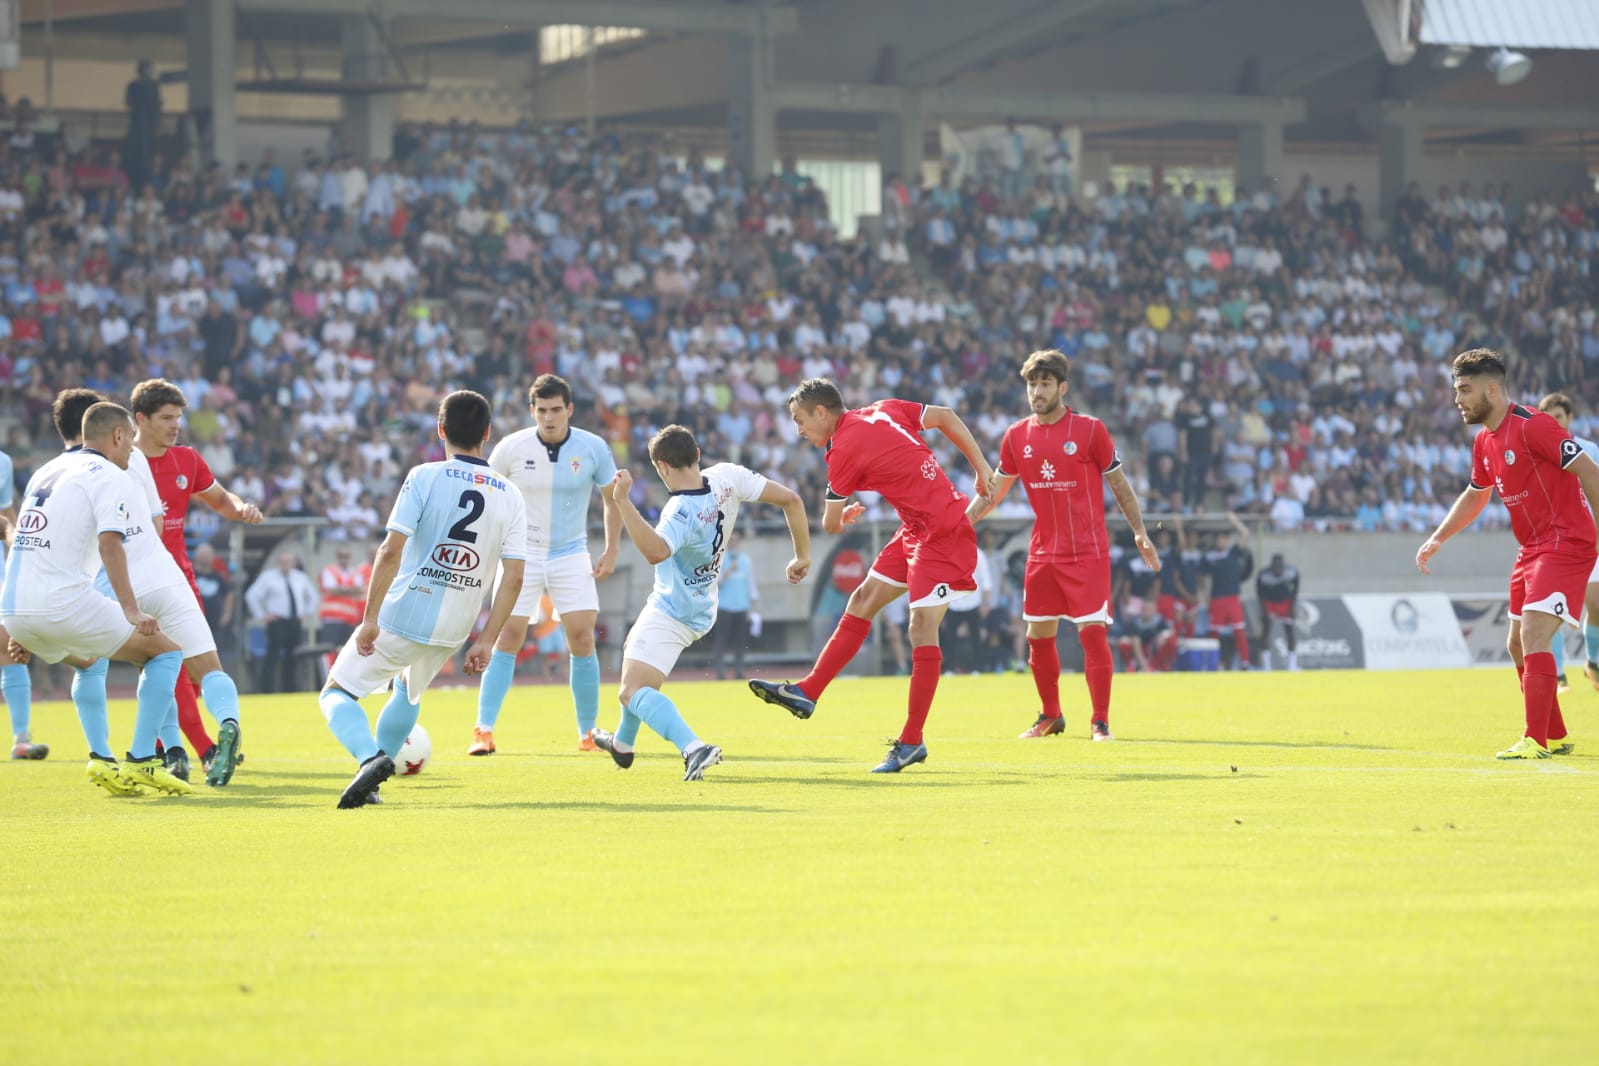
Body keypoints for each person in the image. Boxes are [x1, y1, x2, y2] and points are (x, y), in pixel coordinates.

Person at [748, 377, 994, 773]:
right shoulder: (885, 407)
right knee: (862, 600)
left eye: (800, 420)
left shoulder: (841, 450)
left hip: (943, 532)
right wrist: (981, 468)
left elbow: (829, 525)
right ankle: (808, 691)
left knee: (920, 627)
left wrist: (841, 516)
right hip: (915, 528)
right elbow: (946, 416)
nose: (798, 430)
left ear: (822, 413)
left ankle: (912, 741)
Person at [319, 390, 528, 808]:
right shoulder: (510, 494)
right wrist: (486, 639)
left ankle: (370, 759)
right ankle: (372, 784)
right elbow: (515, 575)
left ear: (440, 430)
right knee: (407, 691)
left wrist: (370, 617)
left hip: (405, 611)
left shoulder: (424, 475)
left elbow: (390, 550)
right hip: (455, 626)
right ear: (487, 433)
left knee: (336, 693)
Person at [49, 389, 246, 785]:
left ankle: (124, 755)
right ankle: (225, 723)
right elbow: (156, 523)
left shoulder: (60, 471)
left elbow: (78, 540)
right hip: (166, 572)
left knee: (97, 666)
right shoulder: (134, 457)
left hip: (114, 580)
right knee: (204, 666)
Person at [591, 425, 809, 780]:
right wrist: (802, 556)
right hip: (703, 604)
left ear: (661, 467)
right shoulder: (727, 476)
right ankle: (623, 745)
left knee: (633, 691)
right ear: (697, 455)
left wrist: (622, 501)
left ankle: (694, 748)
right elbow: (793, 500)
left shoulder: (680, 510)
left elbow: (655, 551)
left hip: (674, 609)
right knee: (634, 650)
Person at [968, 349, 1161, 740]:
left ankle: (1100, 721)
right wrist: (958, 523)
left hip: (1087, 551)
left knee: (1092, 633)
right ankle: (1050, 715)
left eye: (1045, 384)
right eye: (1031, 384)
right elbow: (994, 493)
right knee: (1037, 636)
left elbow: (1119, 485)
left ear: (1062, 387)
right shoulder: (1016, 436)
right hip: (1042, 553)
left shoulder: (1090, 430)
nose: (1037, 392)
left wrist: (1140, 530)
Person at [2, 403, 191, 797]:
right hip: (61, 604)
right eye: (131, 445)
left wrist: (21, 625)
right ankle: (143, 760)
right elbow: (110, 544)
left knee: (90, 663)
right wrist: (131, 609)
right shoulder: (109, 474)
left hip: (15, 607)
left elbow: (24, 540)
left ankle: (101, 758)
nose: (132, 454)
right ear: (119, 436)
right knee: (165, 653)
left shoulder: (47, 469)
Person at [1417, 350, 1599, 759]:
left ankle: (1533, 739)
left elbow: (1590, 471)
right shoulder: (1484, 441)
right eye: (1456, 390)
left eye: (1465, 390)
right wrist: (1438, 538)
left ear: (1492, 389)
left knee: (1535, 633)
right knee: (1516, 642)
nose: (1458, 399)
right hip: (1531, 548)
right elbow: (1476, 495)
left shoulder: (1536, 426)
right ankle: (1554, 732)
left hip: (1565, 542)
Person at [469, 375, 620, 756]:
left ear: (569, 409)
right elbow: (485, 495)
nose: (549, 418)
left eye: (556, 410)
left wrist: (612, 549)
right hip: (523, 551)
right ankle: (483, 730)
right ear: (532, 411)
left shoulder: (593, 447)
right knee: (508, 636)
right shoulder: (511, 447)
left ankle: (588, 733)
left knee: (583, 638)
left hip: (571, 551)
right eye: (542, 411)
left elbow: (612, 499)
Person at [130, 378, 263, 771]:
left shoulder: (186, 458)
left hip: (181, 578)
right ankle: (202, 748)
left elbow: (222, 501)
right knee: (167, 664)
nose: (175, 425)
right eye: (166, 418)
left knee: (189, 669)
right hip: (137, 581)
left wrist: (242, 509)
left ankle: (163, 745)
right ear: (140, 419)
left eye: (178, 418)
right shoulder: (121, 463)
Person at [1535, 393, 1599, 693]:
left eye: (1558, 417)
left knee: (1596, 604)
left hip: (1590, 536)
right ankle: (1559, 675)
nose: (1554, 423)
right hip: (1554, 540)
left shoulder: (1589, 450)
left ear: (1569, 418)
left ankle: (1593, 661)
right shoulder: (1539, 453)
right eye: (1548, 418)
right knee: (1554, 611)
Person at [0, 444, 45, 760]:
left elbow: (6, 518)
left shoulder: (2, 463)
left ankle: (21, 738)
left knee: (9, 647)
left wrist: (20, 554)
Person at [246, 553, 319, 693]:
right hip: (277, 621)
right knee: (272, 656)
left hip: (294, 621)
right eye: (283, 561)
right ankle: (266, 690)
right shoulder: (268, 577)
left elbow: (313, 596)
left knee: (292, 656)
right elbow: (252, 595)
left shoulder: (300, 577)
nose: (286, 564)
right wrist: (262, 615)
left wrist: (306, 612)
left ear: (293, 562)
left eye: (289, 561)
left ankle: (290, 689)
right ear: (278, 563)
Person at [1201, 516, 1254, 670]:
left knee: (1239, 631)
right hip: (1217, 599)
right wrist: (1205, 596)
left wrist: (1234, 521)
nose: (1221, 542)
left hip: (1232, 598)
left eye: (1223, 539)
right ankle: (1214, 662)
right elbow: (1202, 578)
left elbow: (1245, 534)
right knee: (1214, 633)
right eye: (1218, 539)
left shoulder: (1233, 553)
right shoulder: (1209, 557)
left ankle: (1245, 663)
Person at [711, 531, 757, 680]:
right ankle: (720, 673)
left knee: (740, 642)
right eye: (730, 540)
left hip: (741, 606)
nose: (733, 543)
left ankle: (739, 671)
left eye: (736, 540)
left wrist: (755, 603)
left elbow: (750, 584)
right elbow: (715, 583)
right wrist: (729, 570)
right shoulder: (720, 560)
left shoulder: (746, 560)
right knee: (721, 641)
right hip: (724, 606)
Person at [318, 544, 369, 652]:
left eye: (346, 556)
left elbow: (359, 590)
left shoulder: (354, 571)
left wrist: (341, 589)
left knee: (345, 651)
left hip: (349, 619)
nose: (343, 558)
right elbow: (331, 590)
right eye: (341, 556)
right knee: (329, 649)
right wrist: (349, 589)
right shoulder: (330, 570)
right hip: (332, 618)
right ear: (337, 556)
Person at [1255, 552, 1301, 671]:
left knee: (1289, 632)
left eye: (1280, 568)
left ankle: (1292, 664)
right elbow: (1260, 593)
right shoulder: (1263, 575)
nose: (1277, 571)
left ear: (1283, 566)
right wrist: (1263, 609)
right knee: (1266, 633)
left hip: (1286, 603)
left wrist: (1292, 606)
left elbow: (1296, 588)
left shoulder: (1291, 572)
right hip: (1270, 603)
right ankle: (1267, 665)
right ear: (1271, 567)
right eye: (1275, 568)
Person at [1116, 598, 1176, 673]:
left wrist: (1163, 635)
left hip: (1154, 649)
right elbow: (1126, 636)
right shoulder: (1136, 622)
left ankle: (1159, 667)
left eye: (1149, 609)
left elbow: (1171, 630)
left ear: (1155, 610)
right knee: (1127, 642)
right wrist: (1128, 640)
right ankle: (1138, 667)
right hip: (1138, 650)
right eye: (1145, 609)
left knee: (1170, 639)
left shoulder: (1159, 620)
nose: (1147, 612)